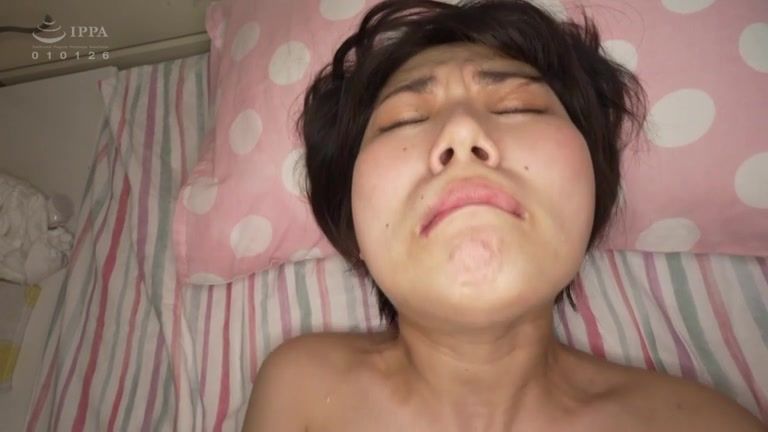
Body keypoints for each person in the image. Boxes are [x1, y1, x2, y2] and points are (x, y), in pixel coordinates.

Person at [243, 1, 765, 430]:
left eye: (519, 107)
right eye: (405, 120)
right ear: (352, 224)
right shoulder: (299, 392)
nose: (462, 133)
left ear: (591, 191)